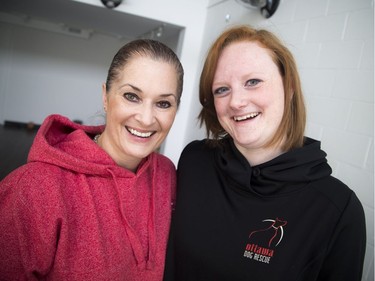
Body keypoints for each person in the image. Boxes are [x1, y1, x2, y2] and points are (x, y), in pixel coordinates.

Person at [164, 25, 366, 281]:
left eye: (253, 82)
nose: (236, 101)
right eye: (222, 89)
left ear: (289, 88)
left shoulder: (337, 209)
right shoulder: (195, 161)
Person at [0, 39, 184, 280]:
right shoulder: (32, 188)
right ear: (105, 97)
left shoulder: (167, 174)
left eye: (163, 103)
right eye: (131, 96)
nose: (147, 118)